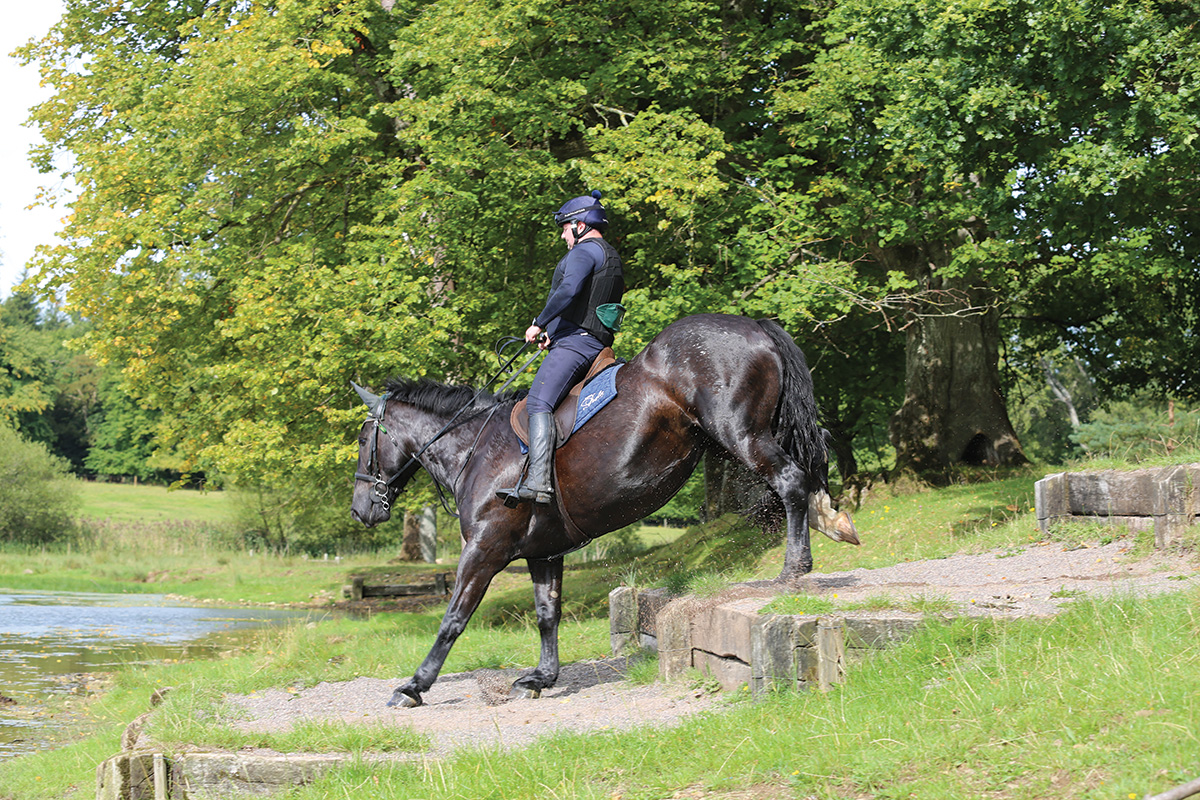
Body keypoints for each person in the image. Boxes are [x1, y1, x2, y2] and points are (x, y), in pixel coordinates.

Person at [498, 190, 624, 505]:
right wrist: (552, 334)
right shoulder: (608, 254)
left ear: (579, 225)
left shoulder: (583, 252)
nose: (563, 237)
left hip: (577, 344)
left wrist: (539, 322)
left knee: (538, 404)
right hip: (592, 343)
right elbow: (588, 303)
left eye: (565, 229)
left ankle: (539, 482)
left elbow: (569, 289)